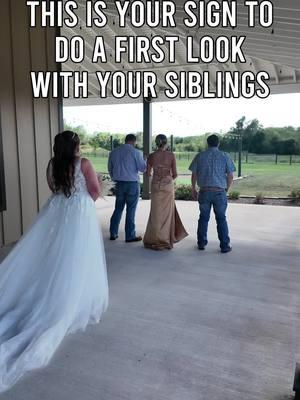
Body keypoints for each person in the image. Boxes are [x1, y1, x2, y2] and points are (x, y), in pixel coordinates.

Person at [0, 131, 108, 393]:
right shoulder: (82, 163)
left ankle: (51, 291)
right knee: (77, 256)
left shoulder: (52, 163)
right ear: (74, 146)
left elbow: (53, 187)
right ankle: (71, 297)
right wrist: (91, 194)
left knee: (54, 254)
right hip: (79, 212)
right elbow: (93, 191)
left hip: (57, 210)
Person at [189, 134, 235, 253]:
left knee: (203, 218)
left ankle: (201, 243)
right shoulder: (225, 156)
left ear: (207, 143)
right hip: (219, 192)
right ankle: (224, 245)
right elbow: (230, 175)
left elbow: (194, 174)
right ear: (218, 143)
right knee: (221, 219)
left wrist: (193, 189)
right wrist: (226, 189)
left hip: (204, 191)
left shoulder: (200, 156)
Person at [143, 134, 188, 250]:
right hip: (167, 186)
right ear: (166, 143)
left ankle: (154, 239)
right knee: (167, 214)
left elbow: (147, 174)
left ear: (156, 143)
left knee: (156, 213)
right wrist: (167, 180)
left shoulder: (151, 156)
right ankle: (165, 240)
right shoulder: (171, 155)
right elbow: (175, 174)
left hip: (156, 186)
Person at [108, 134, 146, 242]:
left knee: (118, 208)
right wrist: (145, 160)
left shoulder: (114, 152)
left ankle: (113, 233)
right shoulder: (136, 152)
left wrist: (114, 179)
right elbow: (143, 169)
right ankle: (130, 235)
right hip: (132, 184)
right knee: (131, 210)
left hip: (118, 183)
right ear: (134, 141)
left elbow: (110, 168)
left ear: (125, 140)